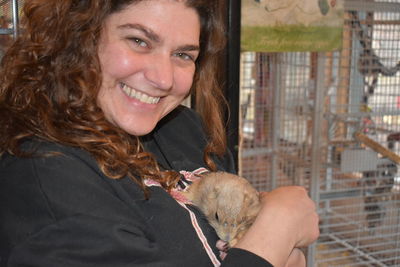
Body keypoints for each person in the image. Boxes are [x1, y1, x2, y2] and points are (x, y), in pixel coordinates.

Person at [0, 0, 319, 266]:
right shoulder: (42, 175)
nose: (163, 78)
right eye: (139, 41)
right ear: (78, 38)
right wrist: (278, 226)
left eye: (183, 55)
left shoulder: (186, 127)